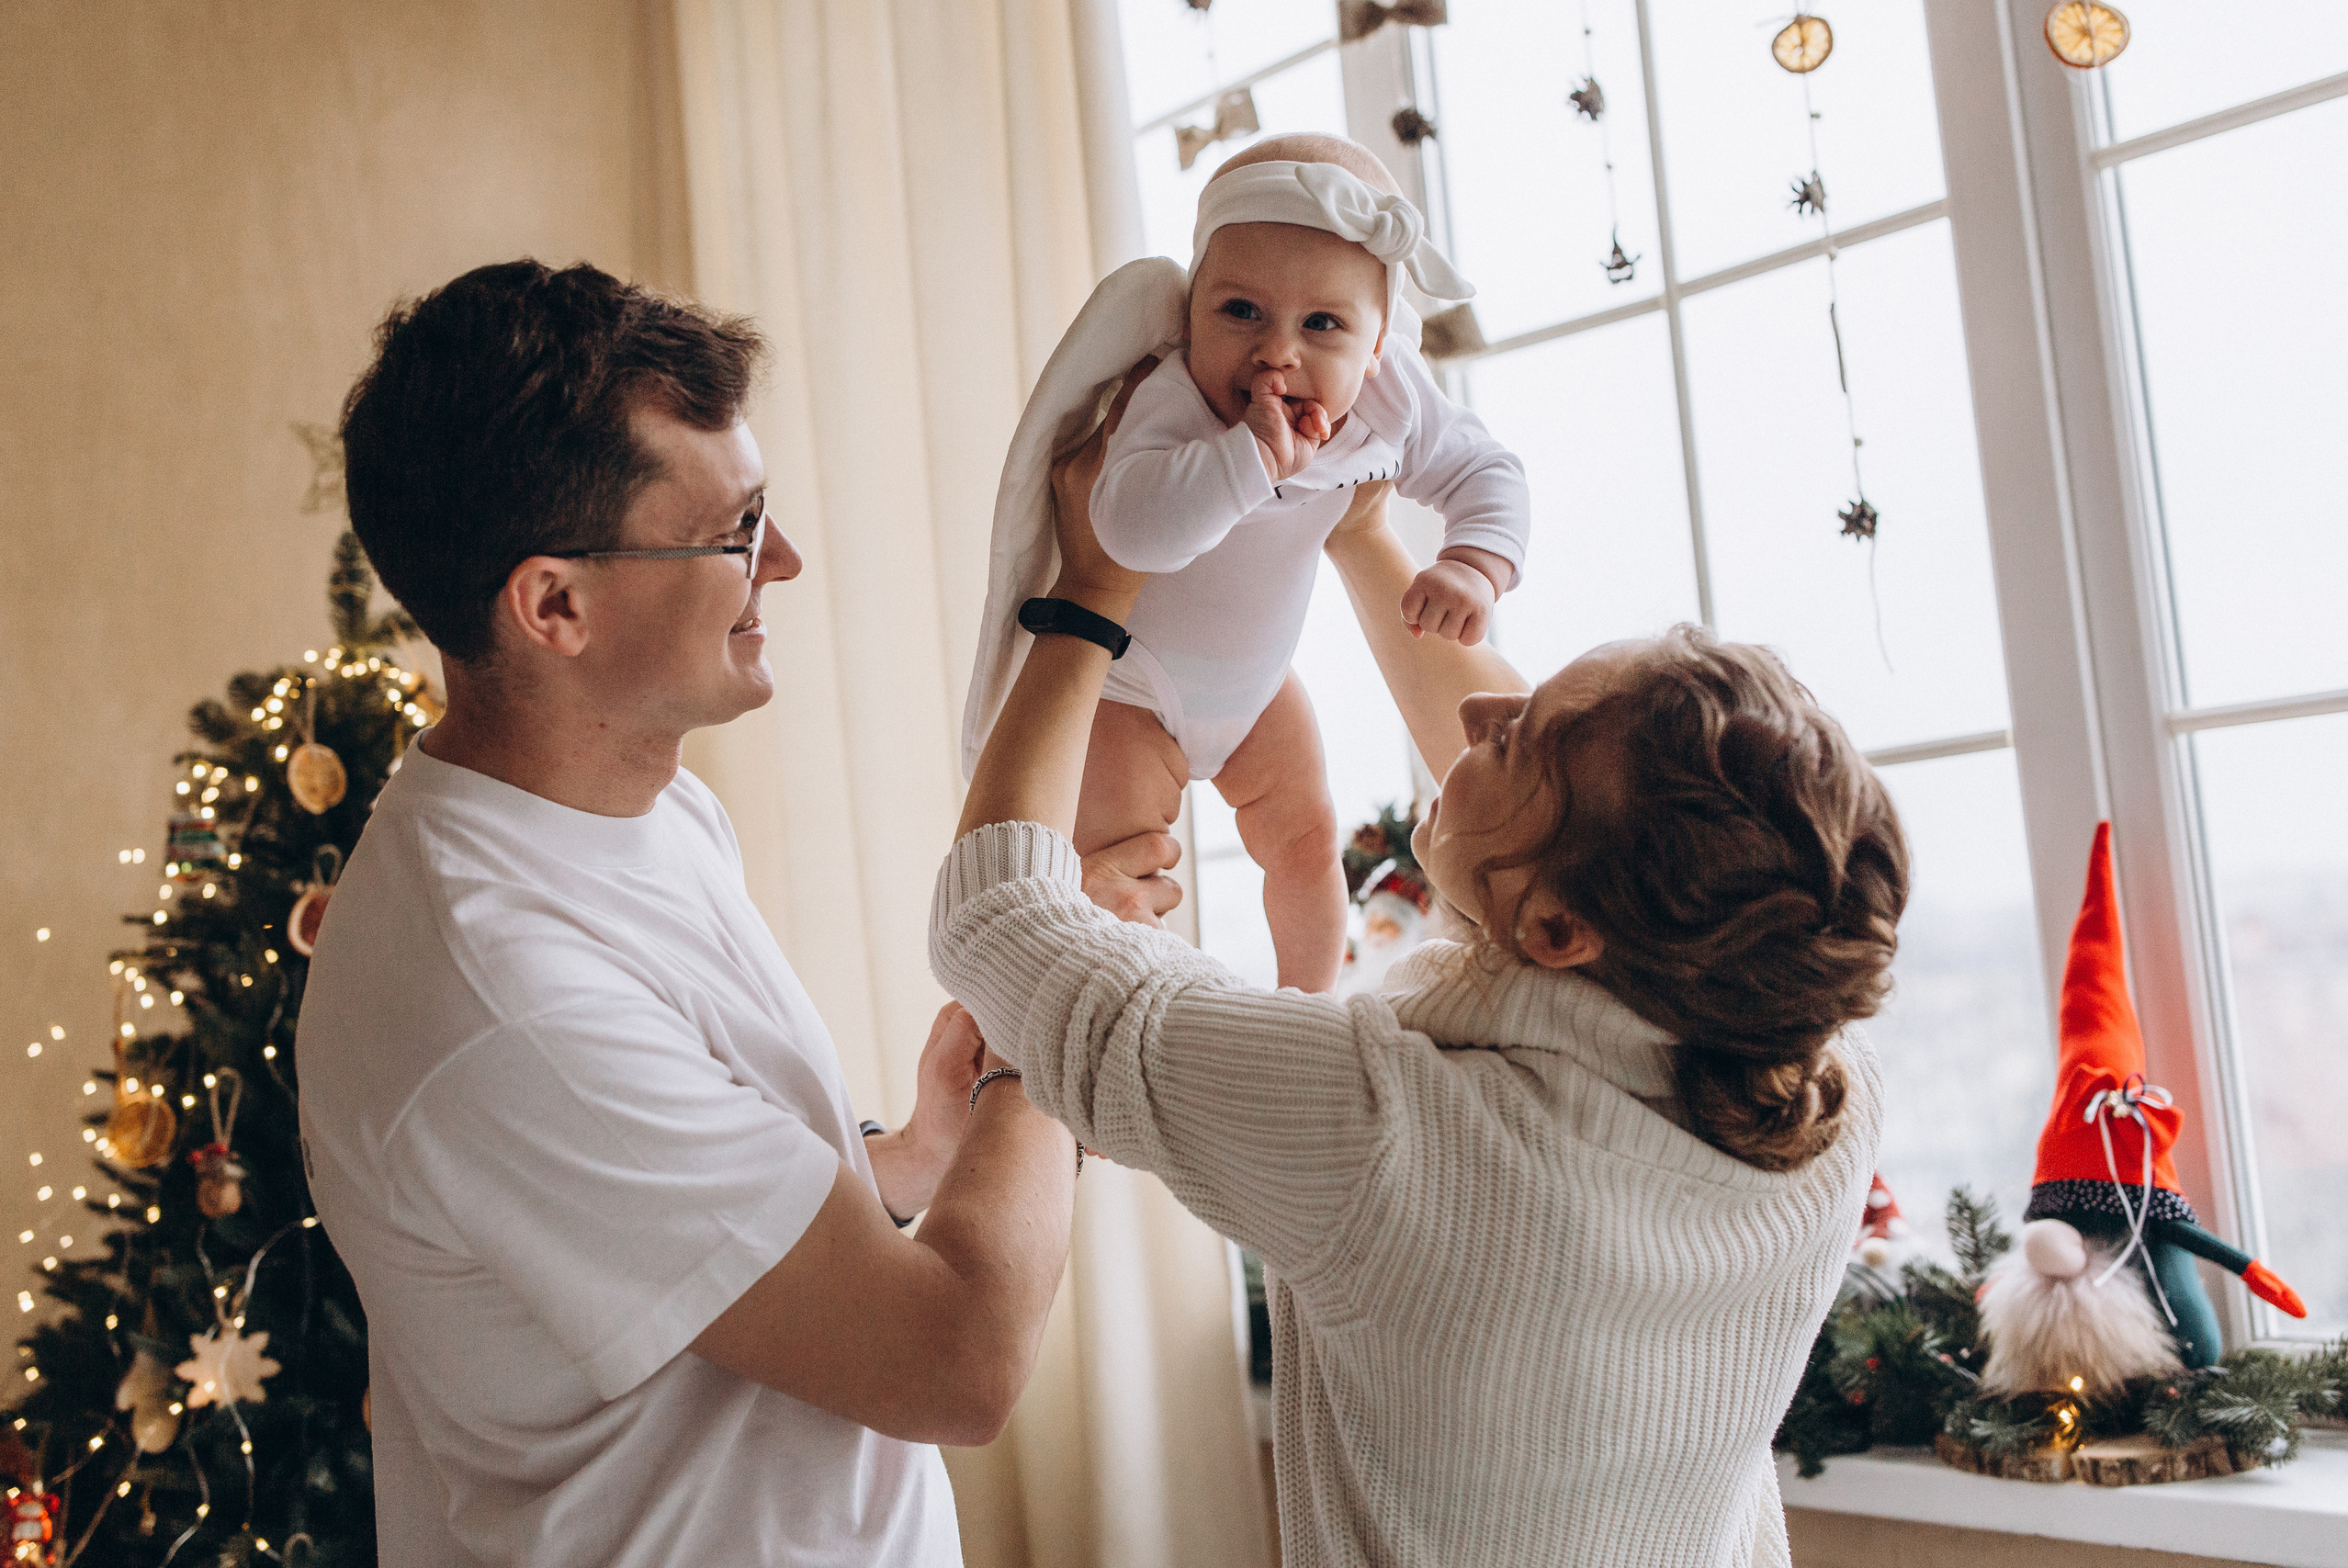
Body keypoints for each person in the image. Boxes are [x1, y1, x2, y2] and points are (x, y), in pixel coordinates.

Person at [931, 378, 1909, 1565]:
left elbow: (995, 914)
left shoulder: (1391, 1130)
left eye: (1522, 738)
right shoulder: (1813, 1073)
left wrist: (1092, 588)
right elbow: (1562, 844)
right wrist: (1362, 538)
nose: (1488, 701)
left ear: (1557, 932)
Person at [299, 260, 1138, 1568]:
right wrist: (1050, 1008)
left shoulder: (651, 810)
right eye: (737, 528)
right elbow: (954, 1358)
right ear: (554, 604)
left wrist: (917, 1153)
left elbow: (682, 1242)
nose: (785, 561)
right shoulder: (497, 989)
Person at [962, 135, 1529, 991]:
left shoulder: (1391, 397)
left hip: (1257, 690)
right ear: (1190, 313)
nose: (1277, 352)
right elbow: (1127, 528)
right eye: (1240, 312)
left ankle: (1307, 1000)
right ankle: (1121, 1051)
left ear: (1378, 347)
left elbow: (1487, 470)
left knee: (1306, 841)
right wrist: (1246, 462)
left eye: (1323, 325)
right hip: (1132, 686)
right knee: (1111, 881)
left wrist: (1474, 563)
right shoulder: (1173, 398)